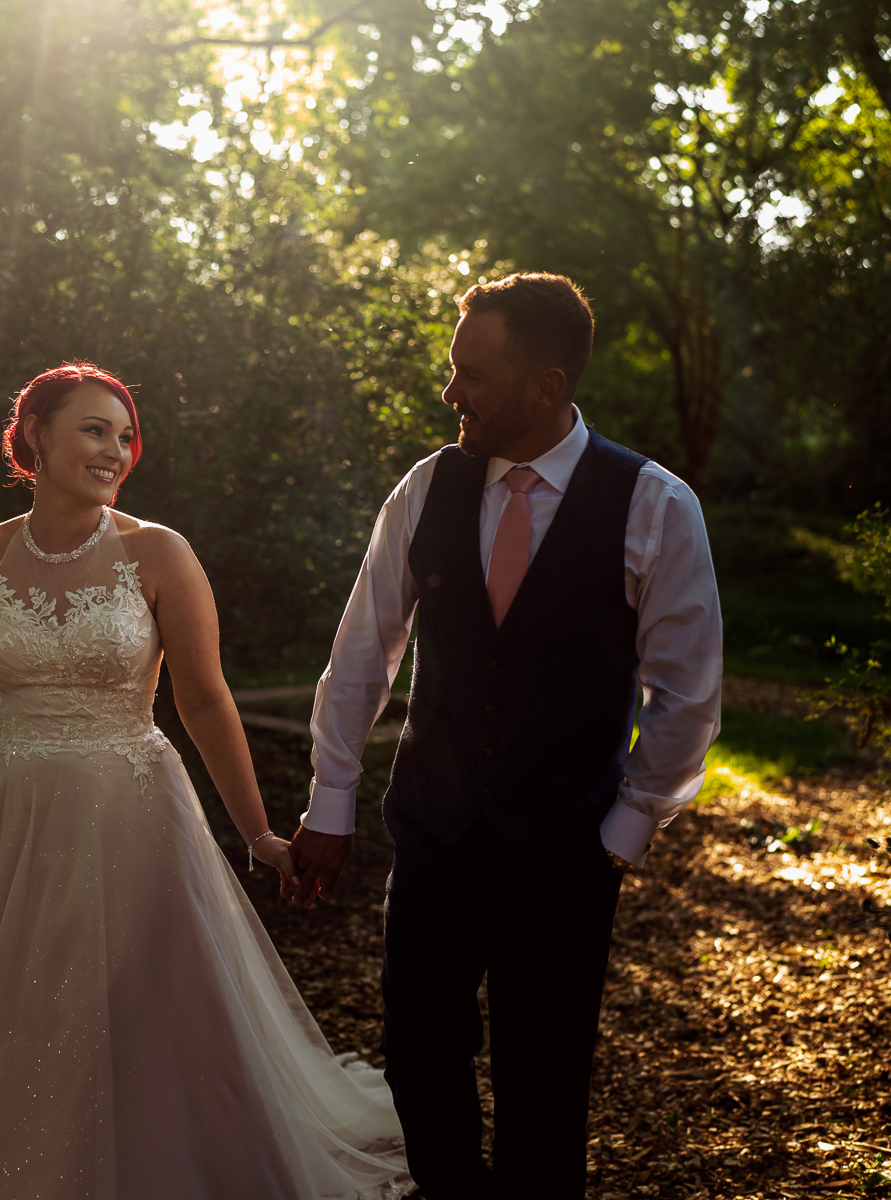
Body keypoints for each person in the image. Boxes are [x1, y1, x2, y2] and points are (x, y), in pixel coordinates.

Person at [0, 362, 413, 1200]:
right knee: (22, 1007)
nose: (115, 451)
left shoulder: (158, 552)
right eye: (93, 430)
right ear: (35, 438)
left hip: (132, 807)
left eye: (125, 437)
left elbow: (202, 698)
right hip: (15, 812)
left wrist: (260, 833)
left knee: (141, 1010)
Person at [288, 274, 723, 1197]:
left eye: (472, 376)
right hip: (436, 833)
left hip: (567, 849)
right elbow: (363, 651)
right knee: (415, 1048)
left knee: (544, 1076)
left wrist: (625, 829)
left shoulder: (653, 505)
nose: (452, 394)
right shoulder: (425, 488)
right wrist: (330, 804)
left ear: (548, 387)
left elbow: (685, 693)